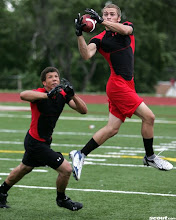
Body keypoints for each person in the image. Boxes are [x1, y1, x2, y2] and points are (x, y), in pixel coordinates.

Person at [69, 4, 173, 181]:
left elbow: (125, 30)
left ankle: (80, 154)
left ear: (118, 17)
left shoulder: (126, 26)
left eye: (111, 14)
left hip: (127, 83)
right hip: (117, 85)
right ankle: (150, 157)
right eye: (105, 14)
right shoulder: (100, 38)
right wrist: (79, 35)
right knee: (149, 117)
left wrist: (102, 21)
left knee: (112, 129)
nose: (108, 16)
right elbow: (86, 54)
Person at [0, 67, 87, 210]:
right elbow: (23, 95)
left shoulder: (63, 94)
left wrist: (74, 96)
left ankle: (1, 192)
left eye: (56, 76)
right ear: (44, 82)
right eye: (50, 77)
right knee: (66, 169)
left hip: (43, 141)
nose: (54, 79)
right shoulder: (40, 94)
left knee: (24, 168)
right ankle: (62, 199)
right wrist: (48, 95)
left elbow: (83, 110)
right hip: (35, 143)